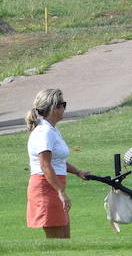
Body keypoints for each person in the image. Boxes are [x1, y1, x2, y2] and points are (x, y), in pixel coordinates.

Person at [25, 88, 92, 238]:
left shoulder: (52, 130)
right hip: (46, 187)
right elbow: (45, 165)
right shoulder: (44, 132)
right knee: (56, 241)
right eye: (63, 104)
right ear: (54, 108)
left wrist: (77, 172)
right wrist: (60, 192)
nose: (64, 108)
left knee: (65, 238)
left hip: (54, 185)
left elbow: (57, 161)